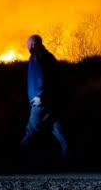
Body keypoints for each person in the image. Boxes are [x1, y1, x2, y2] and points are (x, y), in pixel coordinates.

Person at [20, 34, 68, 162]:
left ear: (33, 44)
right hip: (52, 101)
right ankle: (68, 159)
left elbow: (42, 77)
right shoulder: (49, 56)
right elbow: (56, 78)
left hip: (41, 102)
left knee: (31, 130)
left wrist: (40, 96)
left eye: (28, 44)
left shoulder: (37, 56)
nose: (27, 47)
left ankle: (18, 160)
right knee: (58, 130)